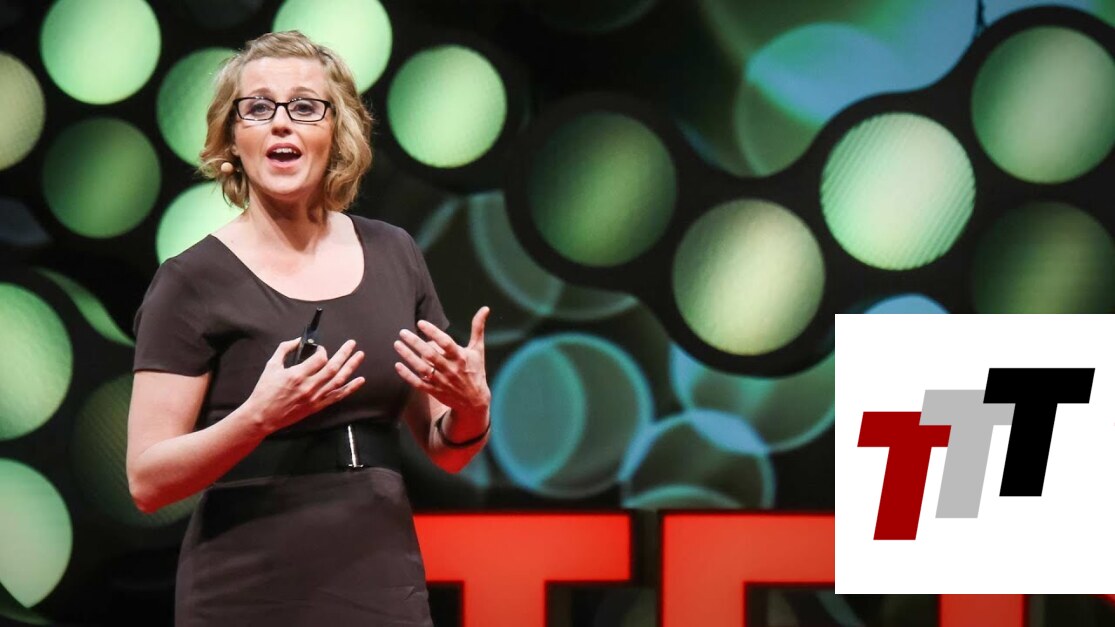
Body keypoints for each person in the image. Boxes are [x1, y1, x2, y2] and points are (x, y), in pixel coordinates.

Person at [126, 31, 491, 626]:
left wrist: (472, 407)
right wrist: (257, 417)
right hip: (244, 588)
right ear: (232, 139)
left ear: (336, 132)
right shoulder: (191, 281)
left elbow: (445, 451)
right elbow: (147, 482)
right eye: (257, 108)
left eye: (304, 106)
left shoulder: (395, 254)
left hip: (378, 577)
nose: (281, 123)